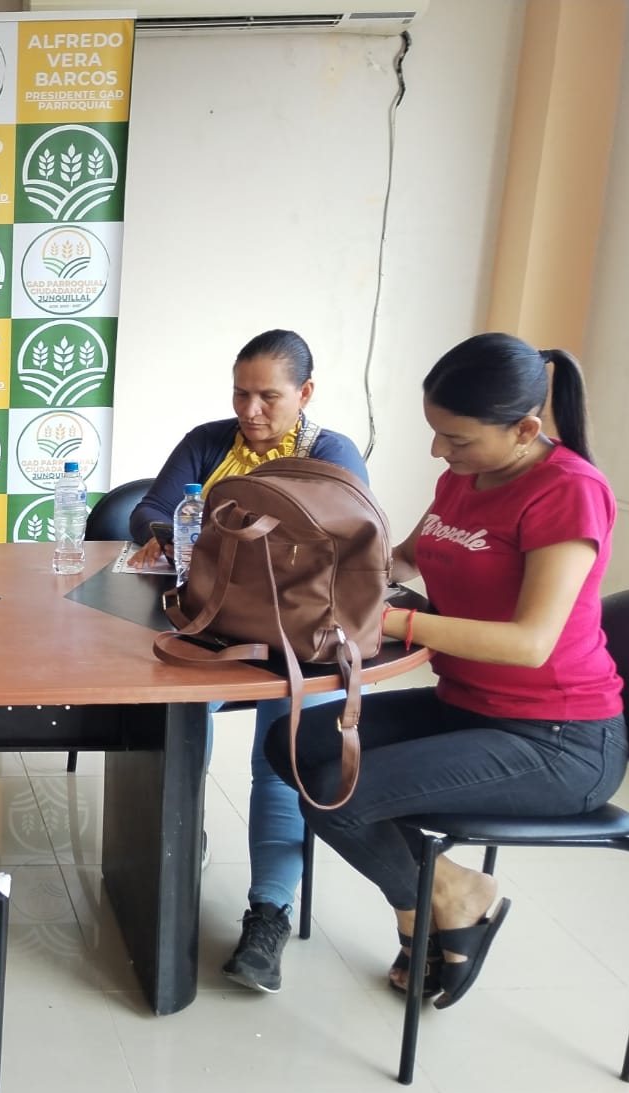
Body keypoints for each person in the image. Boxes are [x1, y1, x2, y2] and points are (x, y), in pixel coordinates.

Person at [270, 333, 626, 1006]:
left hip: (558, 739)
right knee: (293, 741)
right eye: (434, 432)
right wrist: (319, 572)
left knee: (336, 789)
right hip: (467, 704)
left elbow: (529, 644)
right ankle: (446, 890)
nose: (439, 451)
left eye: (455, 439)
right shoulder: (464, 477)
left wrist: (390, 623)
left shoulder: (568, 492)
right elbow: (406, 559)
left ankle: (433, 905)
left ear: (524, 430)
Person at [128, 330, 370, 993]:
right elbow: (150, 509)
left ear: (305, 393)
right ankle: (182, 842)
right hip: (214, 627)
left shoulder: (332, 455)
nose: (250, 411)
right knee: (175, 720)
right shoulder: (210, 441)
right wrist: (172, 535)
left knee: (284, 754)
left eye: (268, 396)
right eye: (240, 393)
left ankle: (269, 913)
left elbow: (339, 548)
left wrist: (209, 538)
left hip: (303, 639)